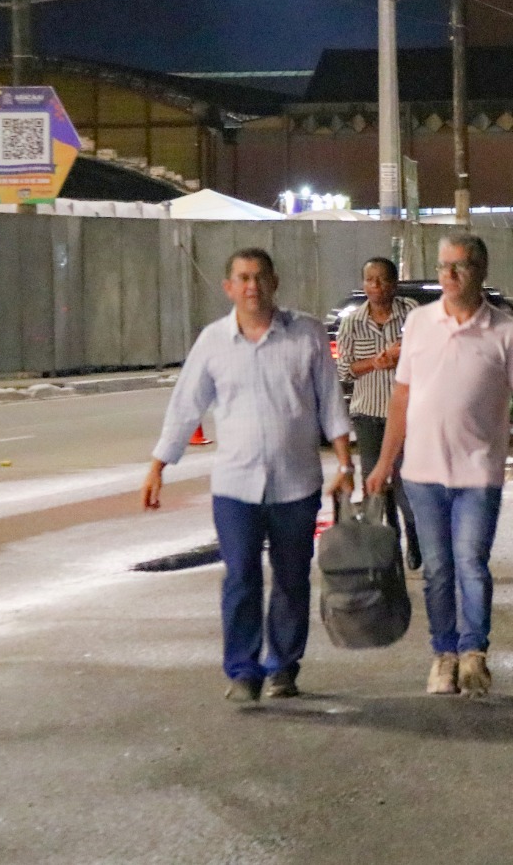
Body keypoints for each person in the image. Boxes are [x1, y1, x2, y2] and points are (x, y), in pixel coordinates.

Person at [141, 247, 354, 703]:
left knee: (292, 576)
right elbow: (185, 406)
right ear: (229, 287)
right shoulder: (213, 342)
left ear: (274, 282)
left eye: (260, 276)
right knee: (240, 575)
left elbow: (330, 401)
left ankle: (282, 667)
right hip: (235, 487)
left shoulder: (306, 335)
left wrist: (345, 463)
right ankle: (242, 668)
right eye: (243, 277)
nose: (252, 285)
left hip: (296, 483)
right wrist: (159, 464)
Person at [366, 233, 513, 699]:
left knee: (471, 563)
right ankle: (443, 654)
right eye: (443, 265)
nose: (448, 275)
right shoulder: (421, 324)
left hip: (478, 472)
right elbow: (402, 395)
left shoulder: (505, 331)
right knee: (437, 569)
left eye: (459, 266)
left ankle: (474, 654)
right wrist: (385, 461)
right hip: (422, 472)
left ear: (480, 272)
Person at [335, 257, 421, 568]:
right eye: (370, 280)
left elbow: (427, 350)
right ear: (363, 284)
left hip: (409, 414)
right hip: (368, 415)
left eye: (383, 280)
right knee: (376, 484)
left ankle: (414, 535)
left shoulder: (411, 312)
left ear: (394, 283)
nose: (376, 286)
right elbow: (345, 369)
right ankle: (391, 542)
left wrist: (402, 355)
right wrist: (377, 361)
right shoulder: (352, 322)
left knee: (406, 482)